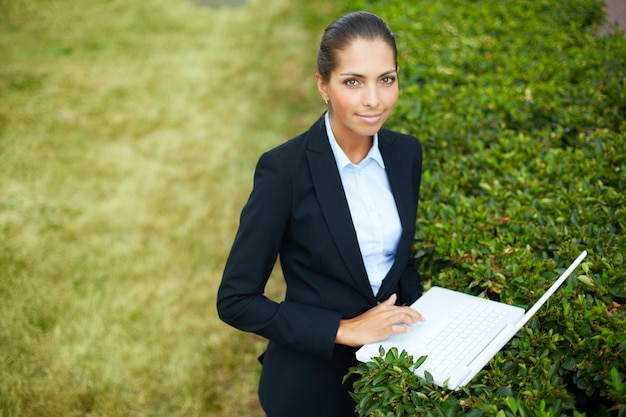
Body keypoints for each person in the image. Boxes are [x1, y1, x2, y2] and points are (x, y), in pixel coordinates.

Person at [217, 11, 424, 417]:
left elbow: (395, 260)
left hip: (396, 372)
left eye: (386, 79)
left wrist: (432, 319)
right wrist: (344, 329)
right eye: (353, 81)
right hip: (312, 385)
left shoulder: (406, 153)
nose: (373, 100)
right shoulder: (284, 171)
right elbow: (236, 300)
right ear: (322, 85)